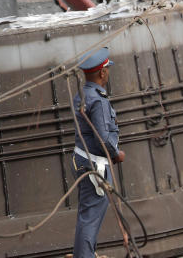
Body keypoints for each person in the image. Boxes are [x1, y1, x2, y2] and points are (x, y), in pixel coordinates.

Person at [71, 47, 125, 258]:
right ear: (102, 72)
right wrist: (117, 154)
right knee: (91, 216)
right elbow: (102, 139)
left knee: (87, 214)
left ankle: (85, 254)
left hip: (82, 159)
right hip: (95, 164)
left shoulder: (81, 95)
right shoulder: (99, 100)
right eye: (107, 70)